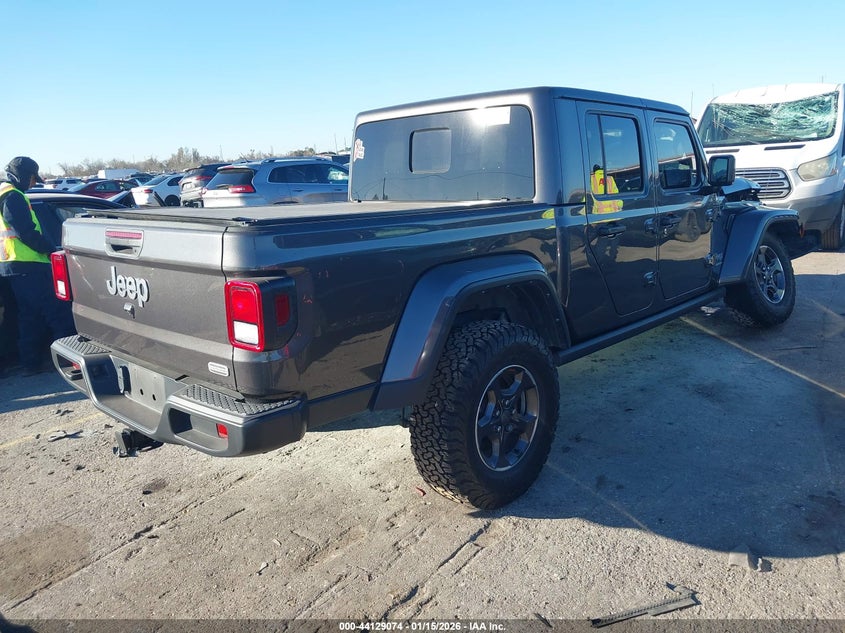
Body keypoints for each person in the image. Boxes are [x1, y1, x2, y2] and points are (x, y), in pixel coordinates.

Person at [0, 156, 75, 375]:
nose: (34, 183)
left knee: (29, 317)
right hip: (30, 265)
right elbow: (27, 234)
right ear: (22, 176)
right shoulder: (13, 197)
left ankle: (30, 364)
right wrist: (53, 249)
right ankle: (69, 362)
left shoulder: (5, 194)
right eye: (33, 178)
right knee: (57, 313)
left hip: (14, 266)